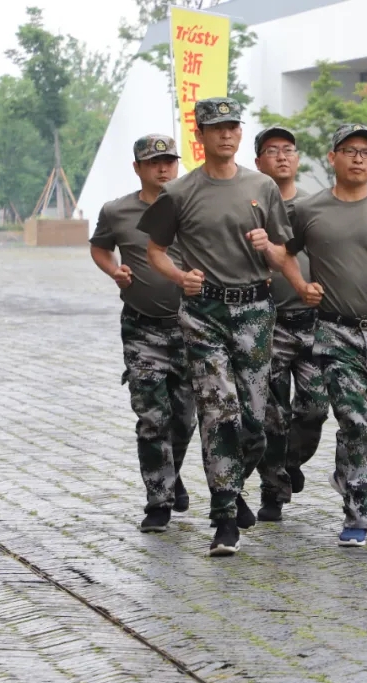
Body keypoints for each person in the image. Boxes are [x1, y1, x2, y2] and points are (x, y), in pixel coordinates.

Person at [139, 97, 290, 556]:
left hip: (255, 312)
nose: (226, 134)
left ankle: (235, 484)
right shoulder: (180, 193)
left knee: (253, 419)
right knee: (217, 410)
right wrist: (179, 277)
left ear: (240, 134)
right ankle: (224, 516)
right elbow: (155, 250)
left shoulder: (263, 187)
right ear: (200, 135)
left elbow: (285, 257)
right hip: (203, 314)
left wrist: (269, 249)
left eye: (233, 127)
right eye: (216, 127)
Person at [277, 123, 367, 547]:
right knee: (354, 422)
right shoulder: (308, 210)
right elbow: (284, 254)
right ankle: (357, 513)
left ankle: (347, 473)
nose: (358, 158)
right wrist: (302, 287)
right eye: (350, 150)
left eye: (366, 152)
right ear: (333, 157)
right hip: (335, 333)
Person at [90, 134, 195, 533]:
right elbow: (100, 248)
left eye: (169, 160)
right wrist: (113, 270)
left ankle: (170, 473)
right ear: (138, 168)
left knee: (184, 420)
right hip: (141, 326)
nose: (163, 168)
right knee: (152, 418)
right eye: (153, 162)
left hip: (191, 326)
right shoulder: (117, 211)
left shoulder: (192, 206)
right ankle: (158, 501)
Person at [252, 125, 328, 521]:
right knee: (273, 415)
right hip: (268, 322)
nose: (282, 156)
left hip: (314, 322)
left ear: (297, 159)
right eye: (272, 150)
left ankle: (289, 463)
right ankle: (273, 492)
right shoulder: (250, 207)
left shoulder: (316, 208)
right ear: (258, 161)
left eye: (289, 150)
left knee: (315, 407)